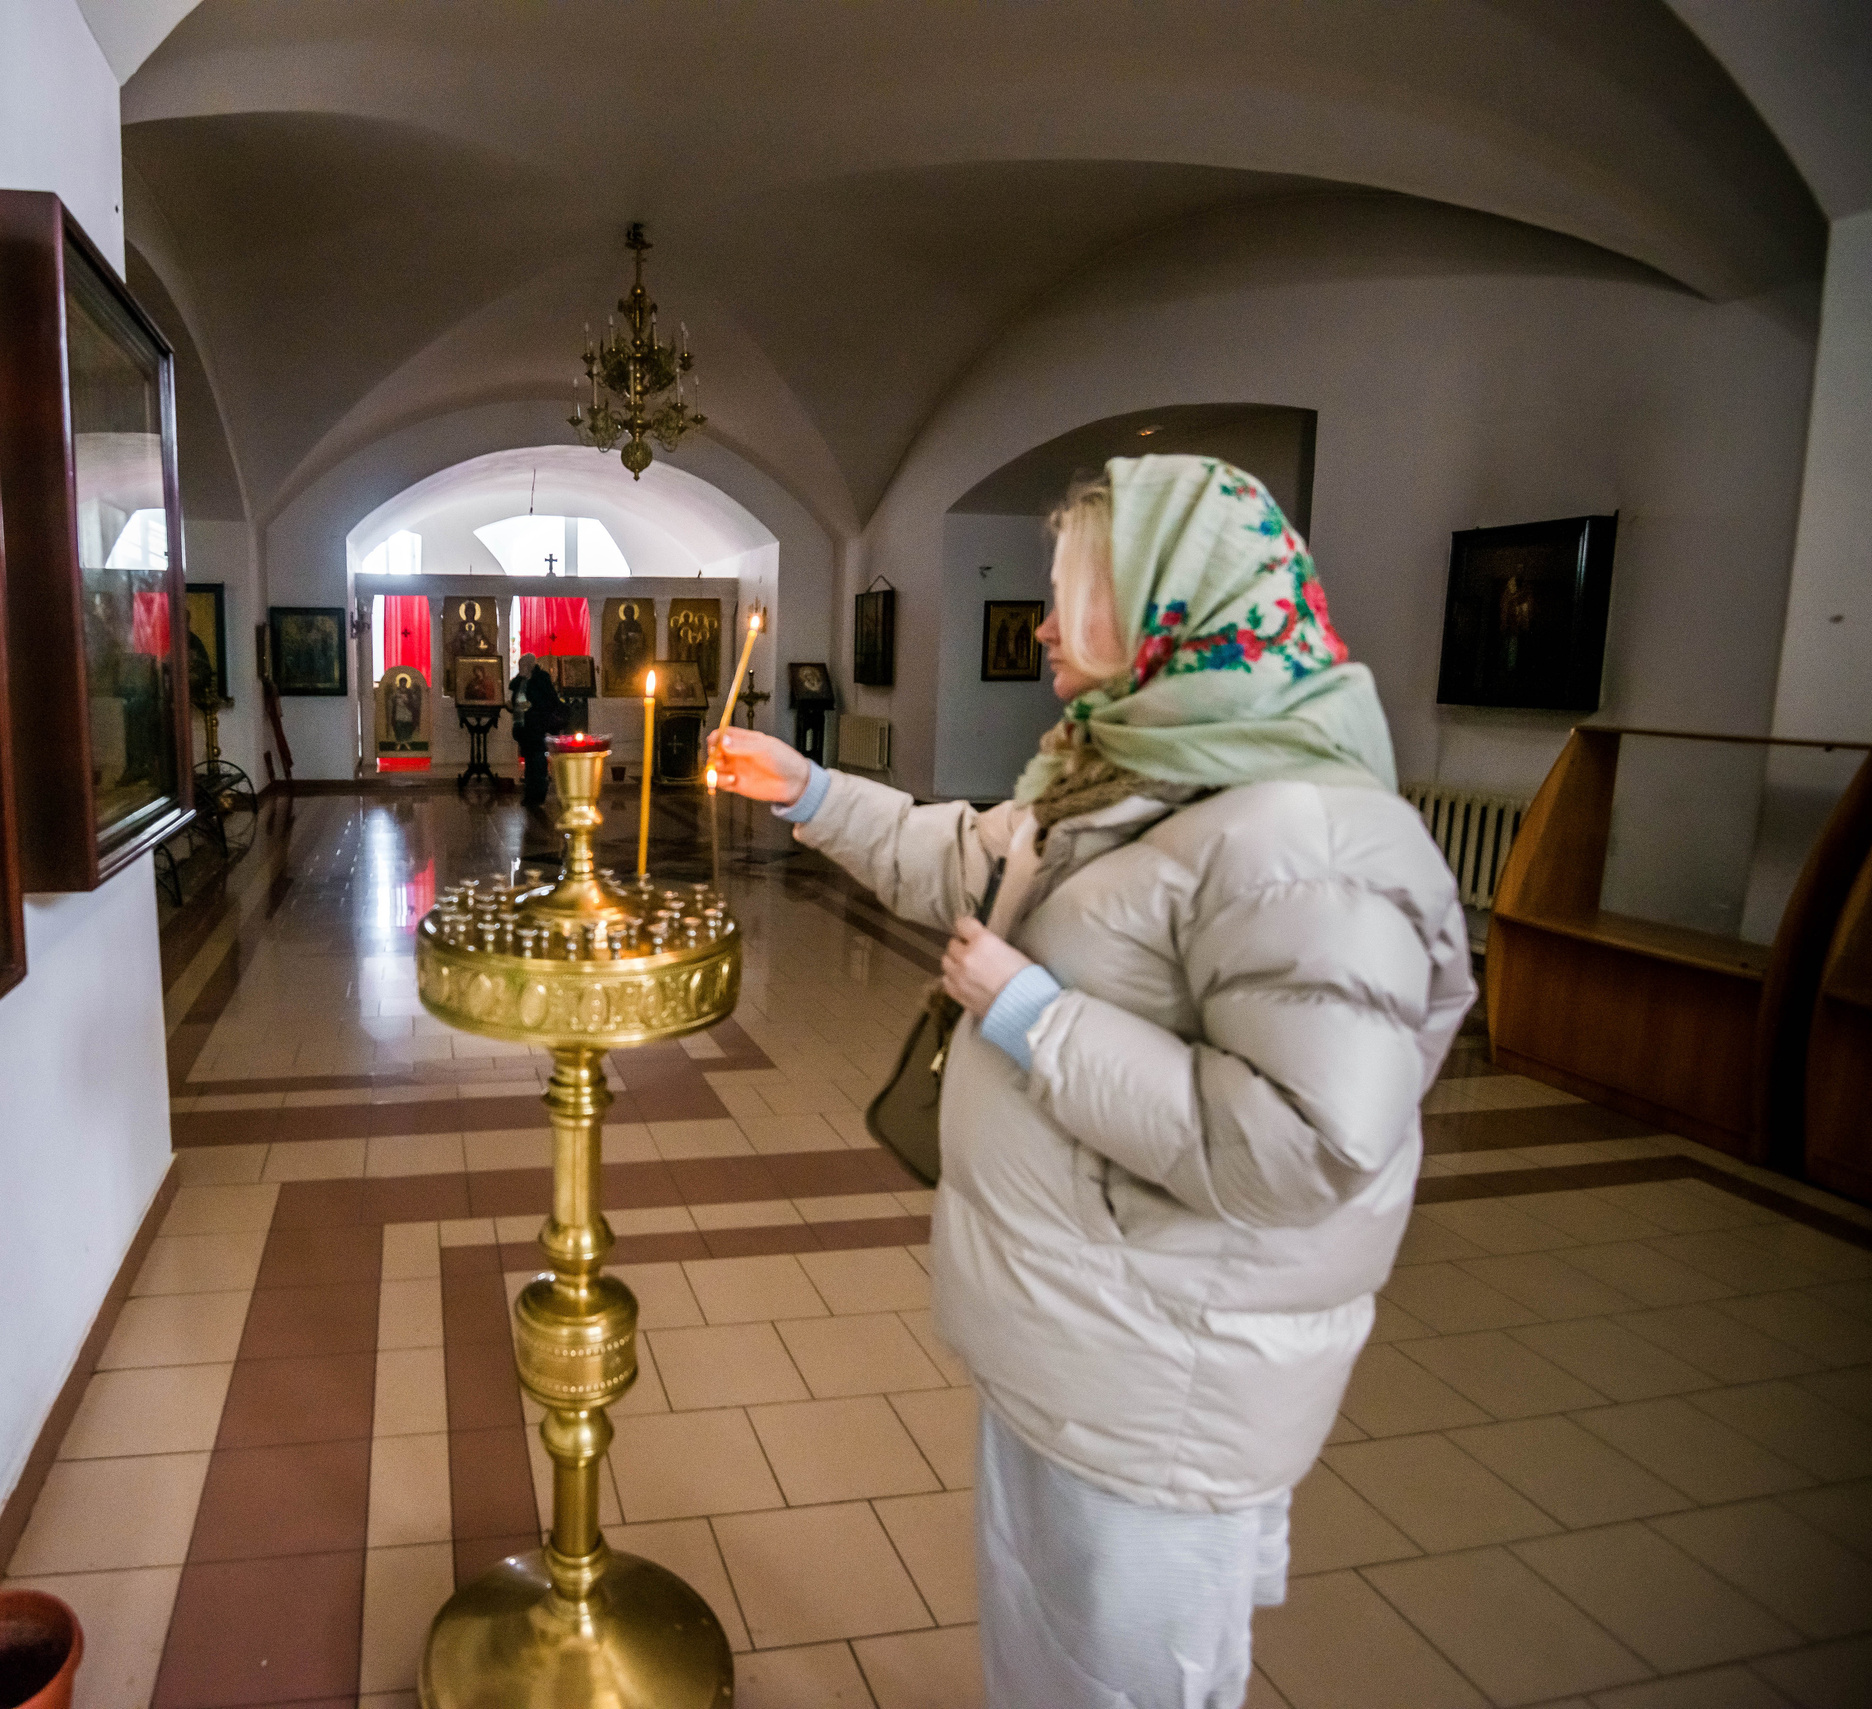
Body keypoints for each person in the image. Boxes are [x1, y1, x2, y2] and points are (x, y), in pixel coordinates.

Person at [710, 456, 1471, 1709]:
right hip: (1075, 1338)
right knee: (1043, 1658)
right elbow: (962, 854)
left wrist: (1034, 1016)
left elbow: (1300, 1146)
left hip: (1163, 1374)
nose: (1044, 624)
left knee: (1127, 1679)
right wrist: (816, 790)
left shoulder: (1311, 838)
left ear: (1178, 604)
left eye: (1075, 595)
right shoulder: (1120, 769)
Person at [510, 651, 561, 806]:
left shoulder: (541, 679)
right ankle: (529, 794)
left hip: (537, 725)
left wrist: (533, 706)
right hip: (523, 725)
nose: (521, 668)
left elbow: (549, 700)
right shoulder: (521, 680)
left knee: (538, 761)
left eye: (523, 666)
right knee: (529, 762)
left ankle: (538, 794)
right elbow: (514, 692)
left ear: (530, 666)